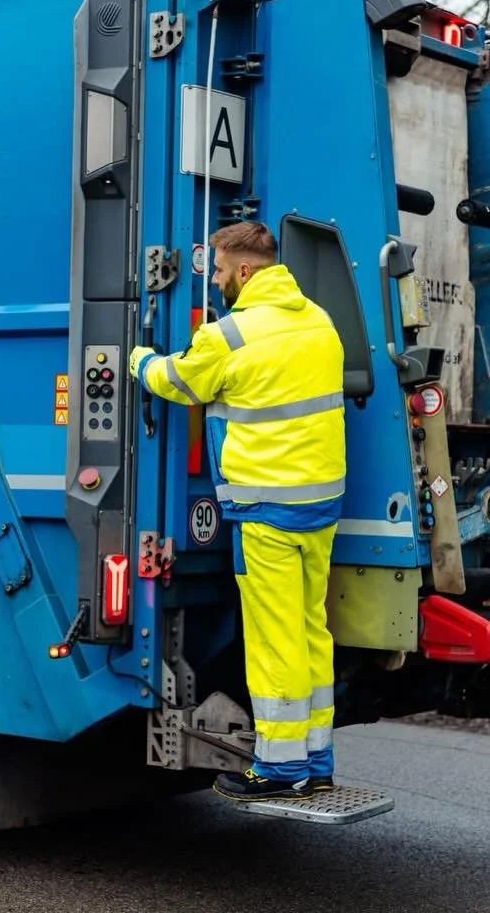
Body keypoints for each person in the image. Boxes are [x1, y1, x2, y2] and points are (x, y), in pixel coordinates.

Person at [127, 220, 346, 801]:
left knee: (274, 640)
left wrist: (138, 360)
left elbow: (178, 381)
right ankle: (316, 757)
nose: (216, 281)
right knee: (311, 630)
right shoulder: (319, 322)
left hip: (267, 508)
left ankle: (278, 768)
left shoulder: (231, 335)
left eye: (220, 271)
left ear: (245, 270)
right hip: (320, 504)